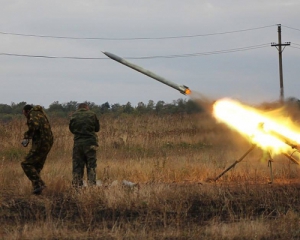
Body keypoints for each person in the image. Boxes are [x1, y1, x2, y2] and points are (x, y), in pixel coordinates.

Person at [21, 104, 53, 195]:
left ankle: (39, 184)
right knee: (36, 166)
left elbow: (34, 126)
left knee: (26, 163)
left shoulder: (33, 114)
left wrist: (26, 136)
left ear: (27, 111)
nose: (24, 115)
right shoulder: (41, 114)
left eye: (24, 113)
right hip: (48, 142)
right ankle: (37, 190)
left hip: (40, 143)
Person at [69, 103, 100, 187]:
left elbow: (72, 129)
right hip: (90, 143)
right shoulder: (92, 114)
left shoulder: (73, 116)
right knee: (91, 165)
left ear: (78, 108)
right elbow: (97, 128)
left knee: (77, 166)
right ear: (87, 107)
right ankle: (92, 186)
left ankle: (76, 186)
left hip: (78, 143)